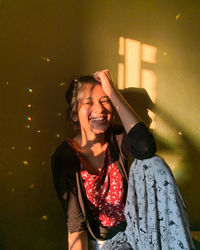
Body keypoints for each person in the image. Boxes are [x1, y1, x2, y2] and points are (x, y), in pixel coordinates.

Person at [51, 70, 194, 249]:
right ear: (73, 114)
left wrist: (112, 91)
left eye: (105, 101)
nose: (100, 109)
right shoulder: (64, 157)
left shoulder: (118, 137)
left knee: (153, 164)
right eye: (88, 103)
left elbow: (145, 147)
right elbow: (75, 224)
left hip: (136, 228)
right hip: (107, 243)